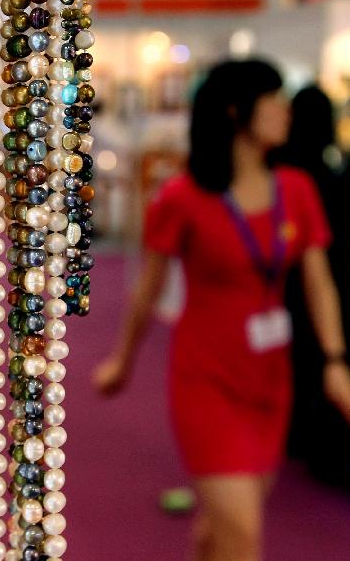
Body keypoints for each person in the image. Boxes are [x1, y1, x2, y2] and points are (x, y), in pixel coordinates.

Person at [93, 60, 350, 561]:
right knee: (243, 535)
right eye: (273, 98)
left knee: (223, 526)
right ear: (236, 111)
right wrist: (122, 361)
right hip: (206, 380)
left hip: (271, 380)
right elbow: (148, 290)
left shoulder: (296, 189)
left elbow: (320, 283)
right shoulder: (183, 198)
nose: (284, 110)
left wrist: (335, 361)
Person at [278, 86, 350, 488]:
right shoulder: (321, 175)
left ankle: (297, 436)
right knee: (320, 358)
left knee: (300, 357)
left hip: (290, 283)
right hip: (326, 280)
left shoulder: (282, 172)